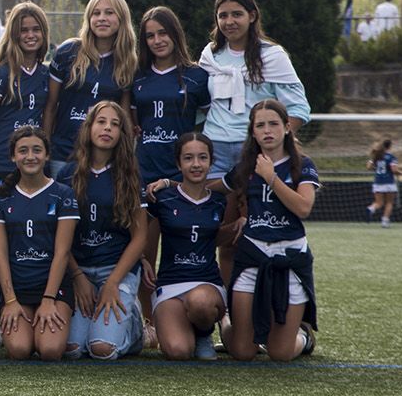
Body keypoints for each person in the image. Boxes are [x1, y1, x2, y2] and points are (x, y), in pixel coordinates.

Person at [219, 99, 318, 361]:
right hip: (253, 256)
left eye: (273, 124)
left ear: (287, 127)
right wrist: (172, 184)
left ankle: (304, 335)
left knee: (280, 353)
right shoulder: (245, 166)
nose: (267, 130)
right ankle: (225, 323)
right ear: (253, 132)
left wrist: (271, 177)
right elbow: (212, 187)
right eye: (260, 125)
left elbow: (304, 207)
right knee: (241, 351)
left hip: (290, 259)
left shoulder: (303, 164)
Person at [58, 102, 148, 361]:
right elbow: (60, 237)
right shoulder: (67, 174)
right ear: (89, 128)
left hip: (115, 270)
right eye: (101, 121)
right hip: (80, 272)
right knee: (72, 349)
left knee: (101, 350)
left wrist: (112, 283)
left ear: (122, 134)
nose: (107, 128)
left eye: (115, 124)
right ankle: (105, 316)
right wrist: (77, 277)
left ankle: (133, 326)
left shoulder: (130, 174)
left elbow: (140, 237)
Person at [198, 0, 309, 181]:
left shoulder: (273, 56)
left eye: (237, 14)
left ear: (252, 16)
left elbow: (298, 108)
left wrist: (272, 143)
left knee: (252, 210)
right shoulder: (209, 57)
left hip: (255, 150)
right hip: (214, 148)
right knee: (217, 210)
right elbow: (201, 104)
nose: (229, 21)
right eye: (223, 15)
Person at [0, 125, 78, 361]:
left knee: (49, 350)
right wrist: (9, 300)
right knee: (19, 350)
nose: (30, 157)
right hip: (17, 290)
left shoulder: (63, 194)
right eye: (23, 151)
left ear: (47, 155)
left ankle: (61, 316)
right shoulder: (2, 196)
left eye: (37, 150)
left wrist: (49, 300)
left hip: (53, 290)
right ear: (13, 156)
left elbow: (63, 252)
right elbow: (0, 253)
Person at [148, 132, 228, 360]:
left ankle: (204, 333)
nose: (196, 164)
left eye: (202, 158)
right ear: (178, 163)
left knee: (200, 303)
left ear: (211, 161)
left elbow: (217, 238)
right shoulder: (162, 198)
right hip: (170, 284)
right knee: (179, 351)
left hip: (206, 283)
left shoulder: (219, 200)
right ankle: (187, 328)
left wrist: (235, 228)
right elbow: (148, 239)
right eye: (188, 158)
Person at [43, 0, 137, 173]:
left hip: (103, 161)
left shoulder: (127, 63)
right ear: (88, 18)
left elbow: (124, 118)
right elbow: (50, 106)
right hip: (63, 154)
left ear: (122, 19)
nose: (102, 18)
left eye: (109, 13)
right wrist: (45, 150)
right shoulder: (68, 52)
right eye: (96, 13)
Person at [0, 1, 51, 195]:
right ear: (13, 34)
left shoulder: (46, 74)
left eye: (36, 29)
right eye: (23, 30)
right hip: (3, 166)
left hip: (34, 167)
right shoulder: (2, 73)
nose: (30, 35)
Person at [131, 6, 210, 187]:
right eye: (150, 36)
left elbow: (212, 119)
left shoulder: (197, 76)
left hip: (181, 173)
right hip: (143, 170)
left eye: (163, 33)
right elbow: (133, 122)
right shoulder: (137, 76)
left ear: (175, 33)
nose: (157, 40)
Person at [367, 138, 402, 227]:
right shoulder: (391, 157)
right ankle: (385, 221)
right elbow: (394, 170)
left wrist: (375, 167)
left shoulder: (377, 156)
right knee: (389, 203)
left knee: (378, 203)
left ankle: (371, 208)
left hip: (377, 182)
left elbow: (368, 167)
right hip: (388, 182)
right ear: (390, 146)